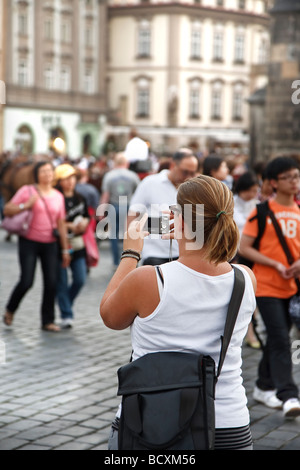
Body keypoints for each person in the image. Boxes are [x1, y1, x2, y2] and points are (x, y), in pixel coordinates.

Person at [100, 175, 256, 450]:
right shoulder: (245, 278)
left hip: (152, 421)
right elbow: (214, 266)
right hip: (230, 422)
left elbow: (110, 316)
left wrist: (130, 252)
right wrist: (194, 238)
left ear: (180, 220)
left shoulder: (149, 279)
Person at [240, 156, 300, 418]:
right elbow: (244, 247)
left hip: (293, 286)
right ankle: (289, 395)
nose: (295, 181)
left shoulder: (299, 211)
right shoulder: (262, 211)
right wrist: (274, 264)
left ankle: (263, 386)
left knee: (279, 337)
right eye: (288, 177)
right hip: (265, 286)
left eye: (297, 176)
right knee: (280, 339)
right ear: (274, 183)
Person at [3, 161, 70, 332]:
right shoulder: (27, 191)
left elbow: (61, 223)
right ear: (36, 174)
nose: (47, 174)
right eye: (43, 171)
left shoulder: (58, 196)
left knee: (51, 282)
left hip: (50, 244)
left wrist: (64, 249)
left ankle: (47, 320)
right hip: (29, 242)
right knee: (26, 281)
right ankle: (10, 309)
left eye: (50, 171)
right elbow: (7, 210)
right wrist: (25, 205)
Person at [128, 148, 199, 265]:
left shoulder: (193, 188)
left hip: (182, 254)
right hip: (153, 253)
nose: (189, 177)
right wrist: (131, 250)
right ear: (173, 165)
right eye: (185, 172)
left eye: (193, 173)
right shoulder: (150, 183)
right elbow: (133, 213)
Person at [54, 164, 90, 329]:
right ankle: (66, 314)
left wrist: (84, 223)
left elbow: (87, 216)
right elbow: (54, 222)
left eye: (72, 178)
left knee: (80, 279)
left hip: (77, 243)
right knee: (61, 281)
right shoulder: (56, 198)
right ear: (59, 181)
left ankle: (64, 303)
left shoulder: (80, 198)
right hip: (59, 244)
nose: (70, 181)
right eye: (66, 178)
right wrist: (69, 226)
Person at [233, 171, 260, 349]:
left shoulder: (257, 204)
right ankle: (248, 332)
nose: (252, 194)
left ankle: (252, 330)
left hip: (253, 253)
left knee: (252, 293)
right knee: (241, 293)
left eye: (255, 190)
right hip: (235, 254)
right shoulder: (232, 203)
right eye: (249, 190)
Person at [99, 152, 141, 267]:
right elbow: (138, 194)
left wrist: (102, 210)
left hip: (114, 206)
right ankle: (130, 259)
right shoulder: (133, 175)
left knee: (114, 235)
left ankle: (116, 261)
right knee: (130, 233)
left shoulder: (109, 176)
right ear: (126, 163)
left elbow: (105, 195)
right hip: (128, 206)